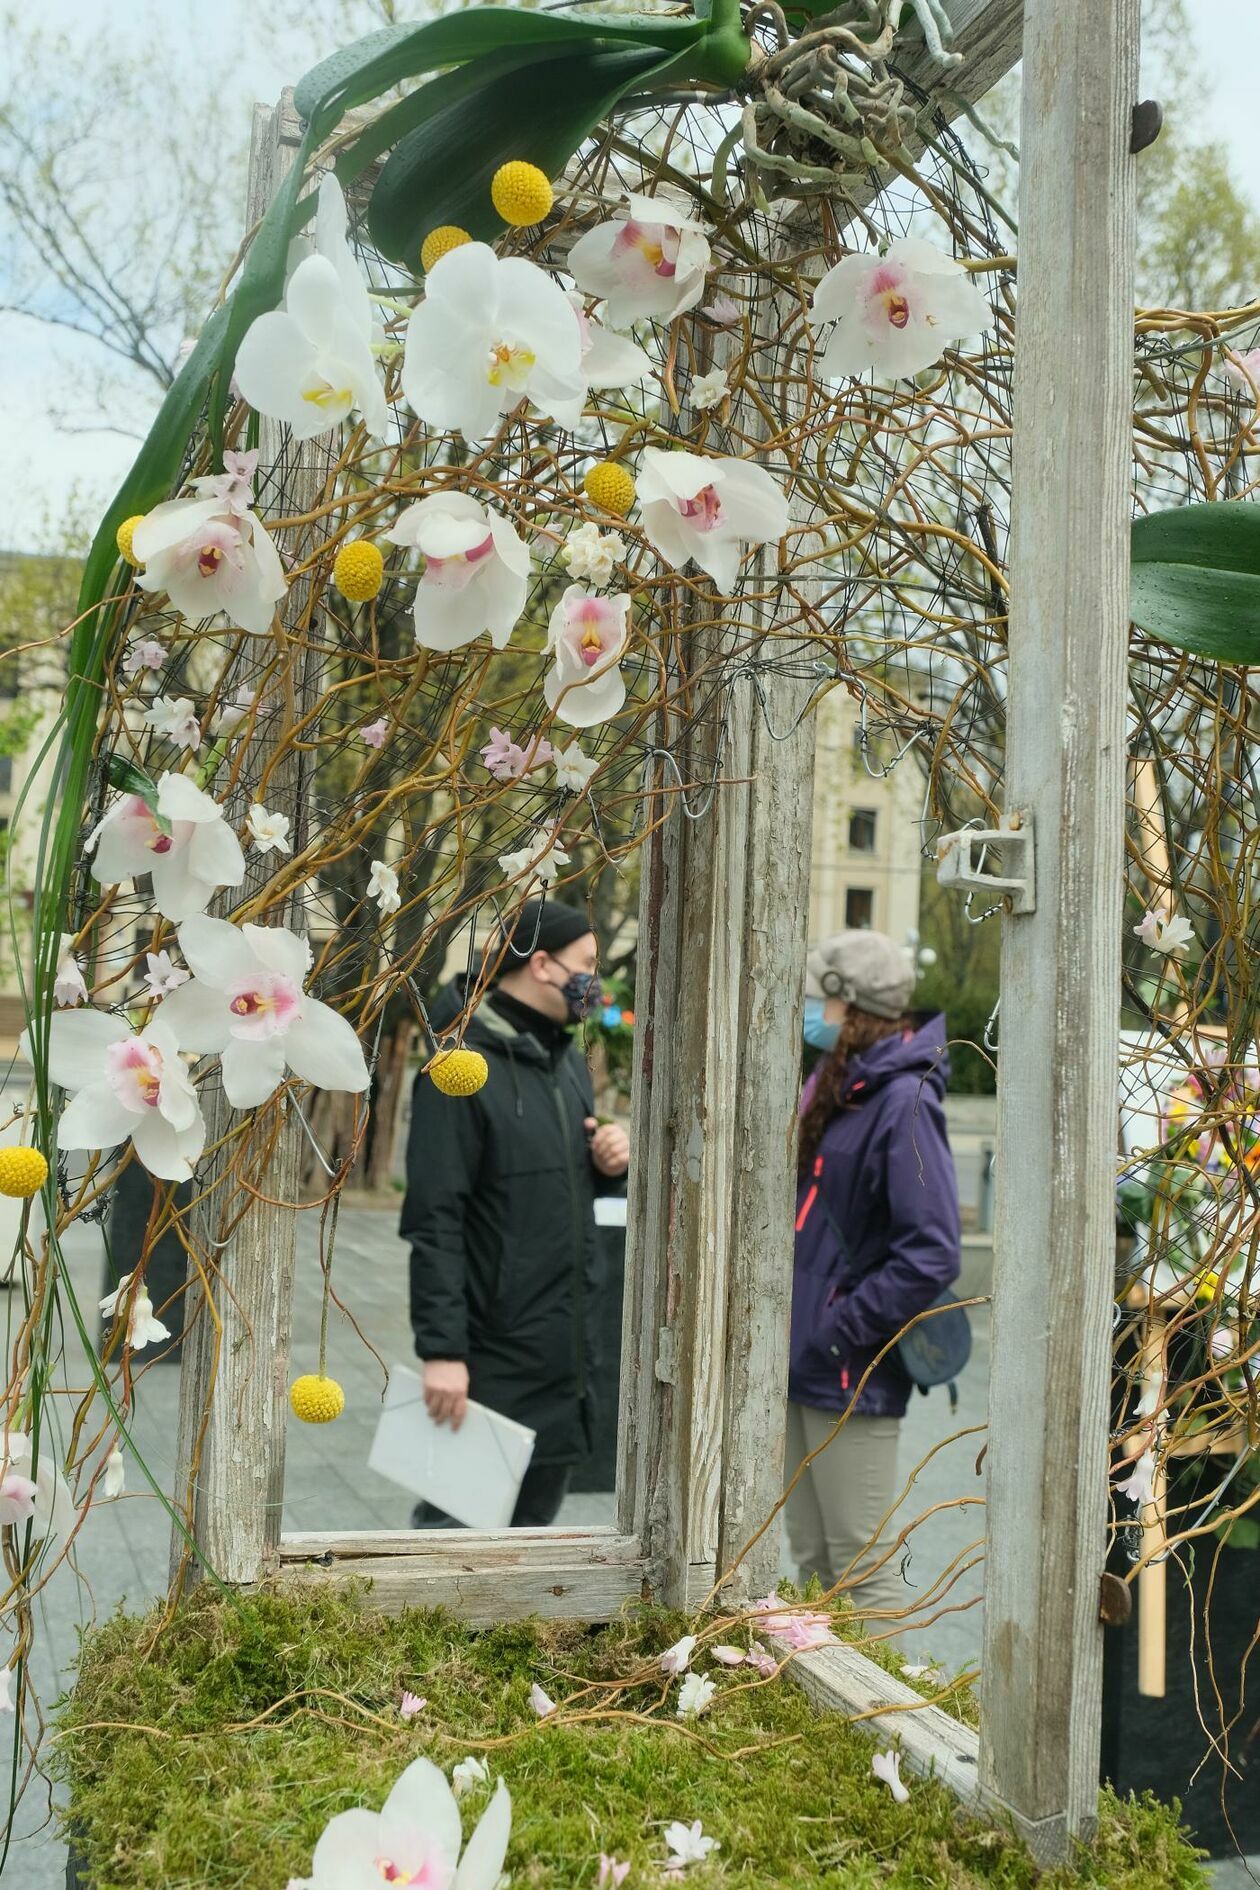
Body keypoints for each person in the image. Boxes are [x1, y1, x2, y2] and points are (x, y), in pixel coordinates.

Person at [400, 898, 630, 1528]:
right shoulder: (459, 1069)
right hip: (490, 1361)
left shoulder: (562, 1061)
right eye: (588, 963)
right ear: (543, 965)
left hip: (560, 1354)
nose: (597, 978)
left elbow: (561, 1194)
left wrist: (608, 1164)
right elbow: (434, 1219)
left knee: (529, 1551)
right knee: (453, 1554)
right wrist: (442, 1352)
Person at [786, 929, 961, 1627]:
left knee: (861, 1567)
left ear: (848, 1006)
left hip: (845, 1368)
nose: (804, 1009)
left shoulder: (903, 1101)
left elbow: (932, 1251)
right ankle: (822, 1719)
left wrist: (839, 1332)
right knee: (812, 1560)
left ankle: (889, 1723)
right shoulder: (838, 1088)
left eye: (814, 997)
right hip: (805, 1362)